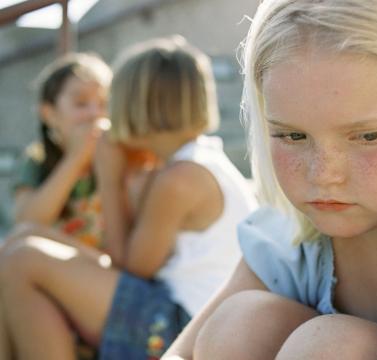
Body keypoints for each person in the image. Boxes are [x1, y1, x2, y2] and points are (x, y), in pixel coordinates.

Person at [163, 0, 377, 359]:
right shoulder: (294, 240)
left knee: (330, 348)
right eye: (292, 136)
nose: (323, 175)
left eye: (368, 136)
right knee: (240, 324)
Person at [0, 36, 257, 360]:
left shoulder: (180, 178)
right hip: (173, 310)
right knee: (22, 239)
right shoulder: (190, 161)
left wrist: (109, 175)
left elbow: (130, 268)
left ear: (138, 108)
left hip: (185, 327)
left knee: (24, 261)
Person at [11, 53, 112, 248]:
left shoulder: (120, 156)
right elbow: (27, 223)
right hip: (57, 268)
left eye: (103, 104)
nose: (94, 113)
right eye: (81, 103)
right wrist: (75, 158)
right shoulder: (37, 159)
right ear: (49, 114)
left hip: (105, 268)